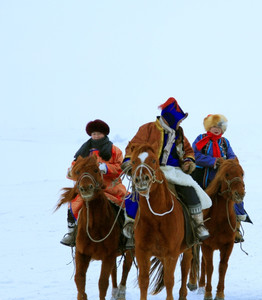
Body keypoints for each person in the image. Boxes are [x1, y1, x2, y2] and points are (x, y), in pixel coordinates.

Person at [120, 97, 211, 247]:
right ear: (171, 118)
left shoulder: (179, 133)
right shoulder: (147, 128)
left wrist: (188, 162)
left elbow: (188, 150)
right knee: (138, 193)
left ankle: (198, 224)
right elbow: (133, 147)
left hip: (174, 171)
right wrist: (129, 162)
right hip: (151, 170)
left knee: (190, 189)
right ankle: (130, 224)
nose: (180, 123)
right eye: (179, 120)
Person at [60, 119, 128, 247]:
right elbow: (75, 166)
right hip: (88, 188)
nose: (96, 136)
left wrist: (106, 168)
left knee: (128, 203)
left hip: (110, 186)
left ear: (104, 134)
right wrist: (72, 171)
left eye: (98, 133)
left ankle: (128, 232)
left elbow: (120, 168)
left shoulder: (114, 150)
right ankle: (71, 233)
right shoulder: (84, 151)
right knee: (73, 202)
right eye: (94, 134)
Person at [191, 114, 252, 243]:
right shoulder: (201, 139)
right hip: (205, 176)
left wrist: (228, 163)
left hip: (223, 177)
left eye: (219, 126)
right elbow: (195, 155)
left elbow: (232, 155)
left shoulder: (224, 142)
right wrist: (213, 161)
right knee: (195, 197)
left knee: (236, 193)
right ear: (209, 127)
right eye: (214, 126)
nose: (216, 129)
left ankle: (236, 227)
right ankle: (195, 225)